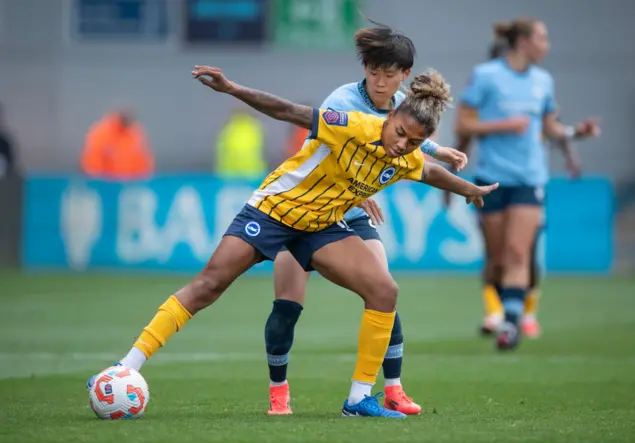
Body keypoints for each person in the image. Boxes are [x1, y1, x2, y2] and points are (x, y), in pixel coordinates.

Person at [88, 65, 497, 418]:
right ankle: (127, 366)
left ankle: (358, 399)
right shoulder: (353, 124)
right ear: (392, 117)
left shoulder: (405, 156)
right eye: (401, 133)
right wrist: (232, 88)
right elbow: (288, 111)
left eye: (413, 142)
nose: (401, 144)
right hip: (272, 212)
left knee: (384, 289)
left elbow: (431, 172)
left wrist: (468, 189)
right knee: (209, 285)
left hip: (320, 226)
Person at [264, 23, 467, 416]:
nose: (379, 80)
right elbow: (323, 151)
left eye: (388, 74)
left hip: (351, 214)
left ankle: (392, 389)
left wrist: (441, 152)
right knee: (287, 306)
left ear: (404, 76)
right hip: (307, 209)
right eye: (373, 71)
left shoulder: (404, 105)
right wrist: (365, 190)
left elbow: (414, 137)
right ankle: (278, 391)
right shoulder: (342, 101)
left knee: (384, 289)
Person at [454, 18, 600, 350]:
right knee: (497, 260)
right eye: (542, 38)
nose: (547, 45)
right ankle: (504, 311)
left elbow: (550, 127)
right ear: (522, 42)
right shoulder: (486, 76)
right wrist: (504, 125)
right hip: (490, 178)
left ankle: (511, 323)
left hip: (529, 178)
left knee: (519, 251)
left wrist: (578, 132)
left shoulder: (543, 81)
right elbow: (464, 122)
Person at [81, 108, 155, 180]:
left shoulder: (135, 134)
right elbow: (93, 156)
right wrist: (97, 177)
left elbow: (143, 158)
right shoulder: (103, 132)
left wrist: (142, 177)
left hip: (130, 182)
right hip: (106, 182)